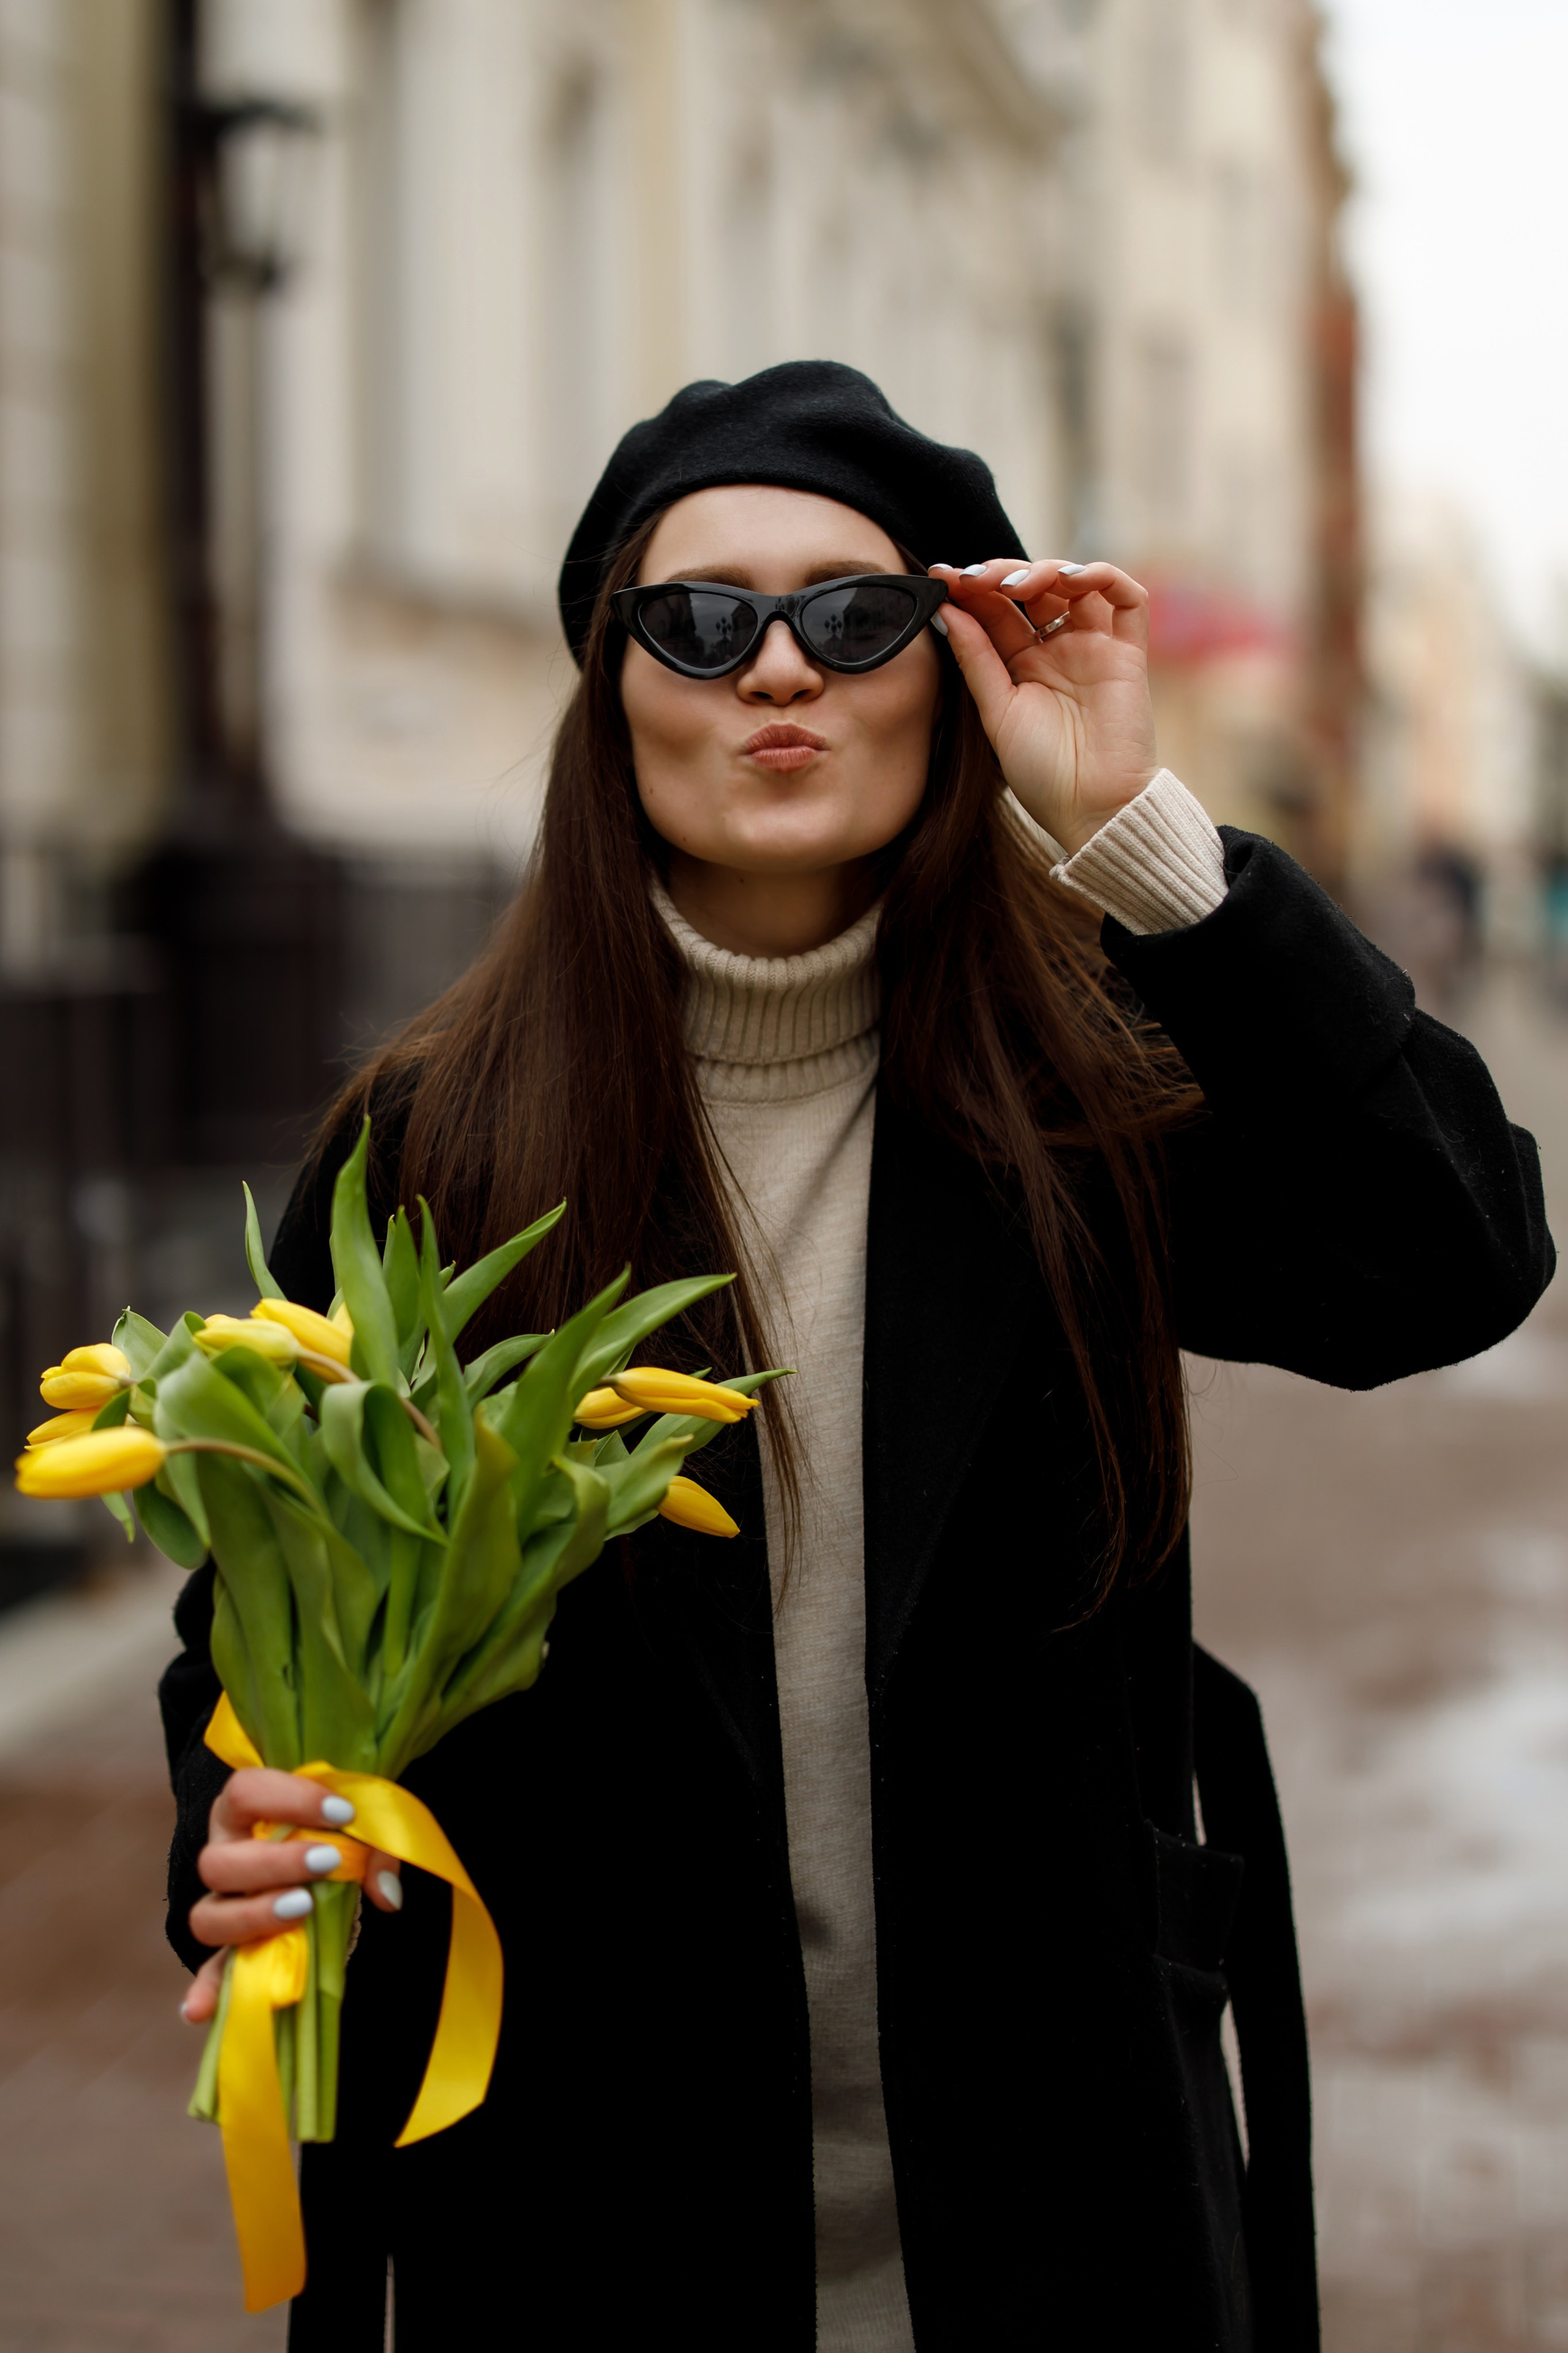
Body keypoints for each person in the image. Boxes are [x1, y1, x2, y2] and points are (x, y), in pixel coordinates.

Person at [159, 363, 1553, 2352]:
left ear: (949, 671)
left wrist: (1145, 846)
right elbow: (254, 1630)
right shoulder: (435, 1150)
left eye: (860, 614)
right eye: (705, 620)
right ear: (613, 687)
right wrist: (235, 1828)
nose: (781, 672)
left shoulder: (1085, 1097)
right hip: (591, 2220)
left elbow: (1457, 1251)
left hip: (1058, 2211)